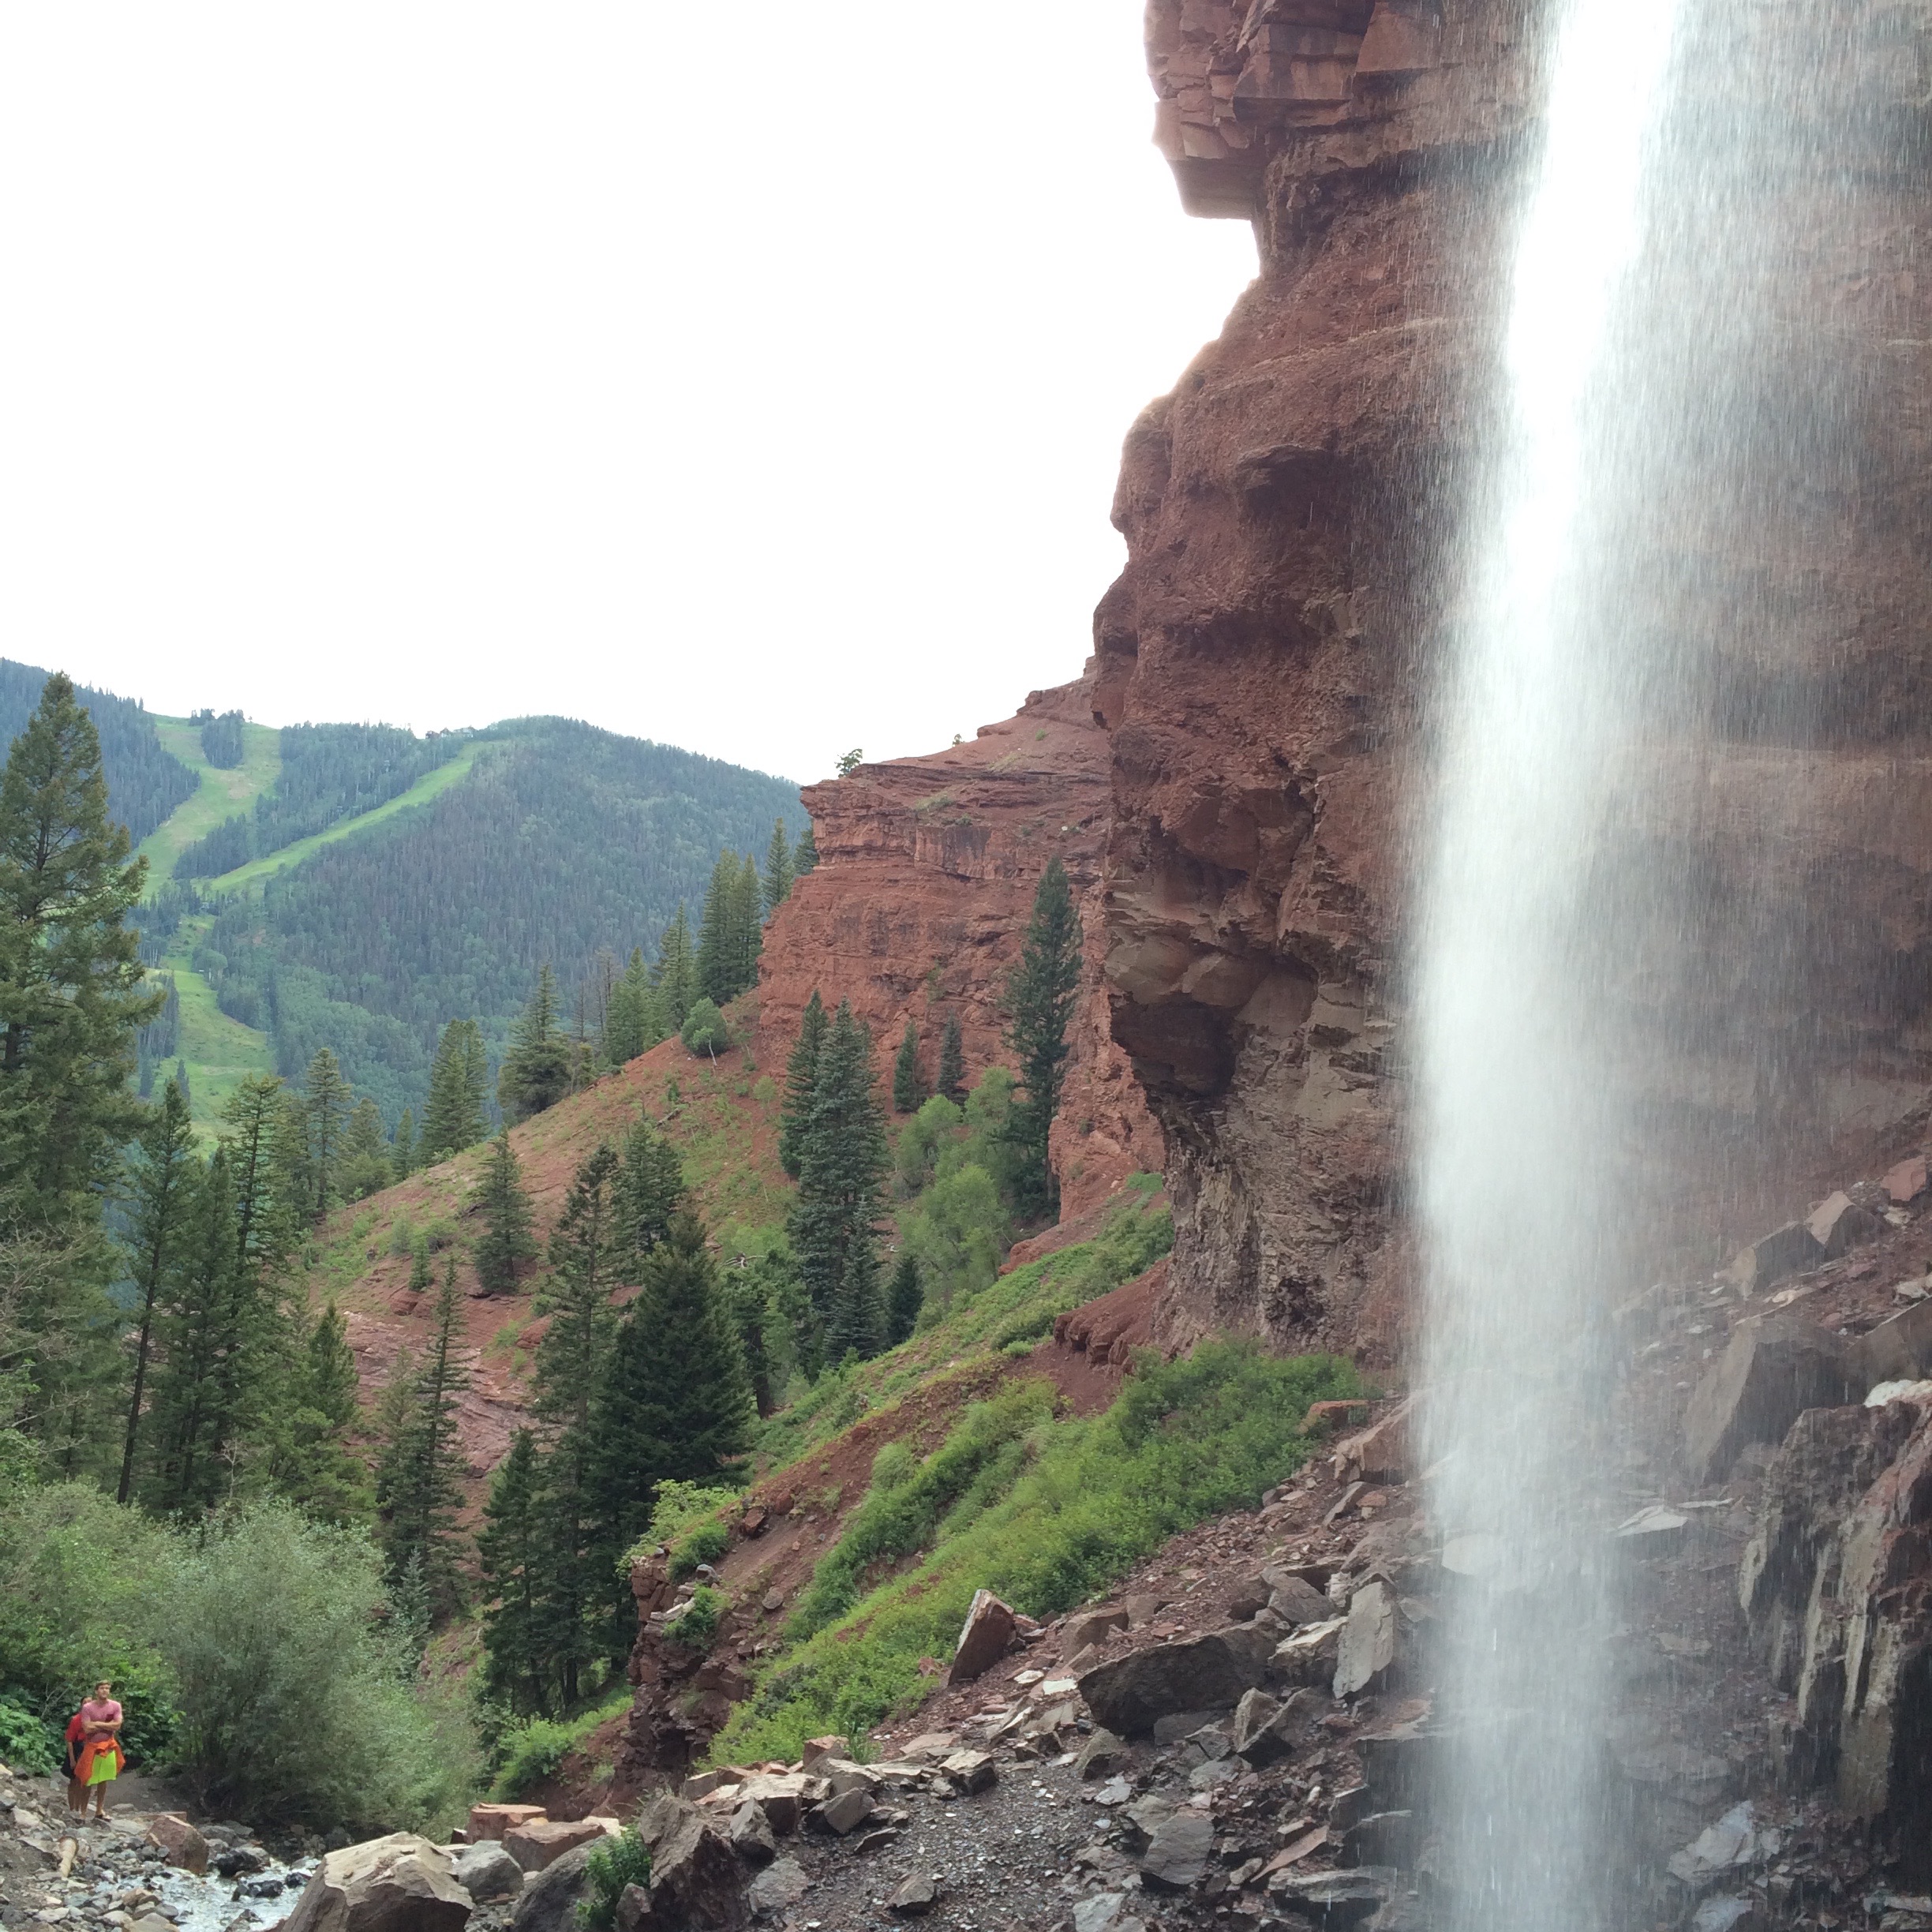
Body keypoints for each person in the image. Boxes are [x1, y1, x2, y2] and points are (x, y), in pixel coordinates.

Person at [66, 1681, 123, 1820]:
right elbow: (87, 1728)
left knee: (103, 1780)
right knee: (87, 1779)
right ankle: (83, 1813)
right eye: (102, 1688)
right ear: (96, 1691)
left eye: (107, 1688)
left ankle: (99, 1810)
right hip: (91, 1746)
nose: (105, 1691)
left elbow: (117, 1725)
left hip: (108, 1746)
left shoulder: (115, 1706)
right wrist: (107, 1726)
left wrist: (96, 1724)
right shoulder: (87, 1707)